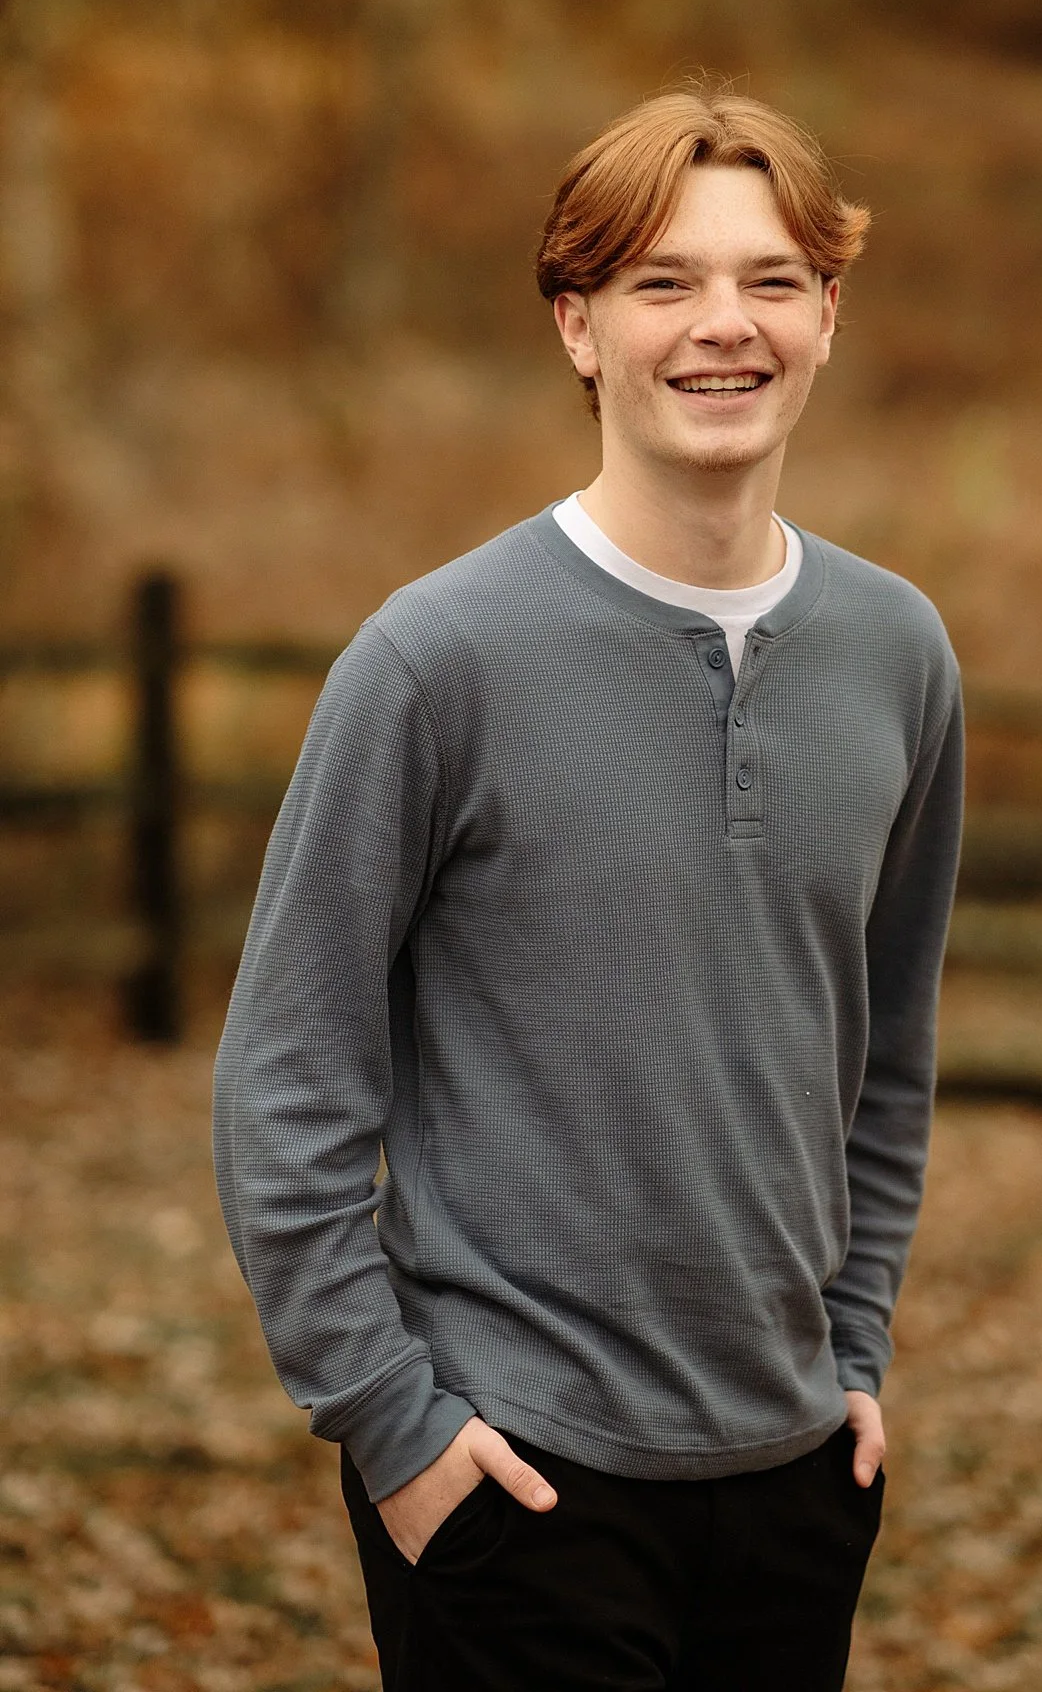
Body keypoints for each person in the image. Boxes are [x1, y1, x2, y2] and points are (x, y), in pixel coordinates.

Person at [212, 85, 964, 1691]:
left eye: (771, 280)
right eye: (661, 282)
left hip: (795, 1481)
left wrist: (854, 1350)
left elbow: (884, 1058)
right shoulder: (436, 659)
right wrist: (396, 1429)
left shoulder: (901, 654)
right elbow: (287, 1085)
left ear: (830, 313)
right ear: (577, 326)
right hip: (517, 1480)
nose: (724, 327)